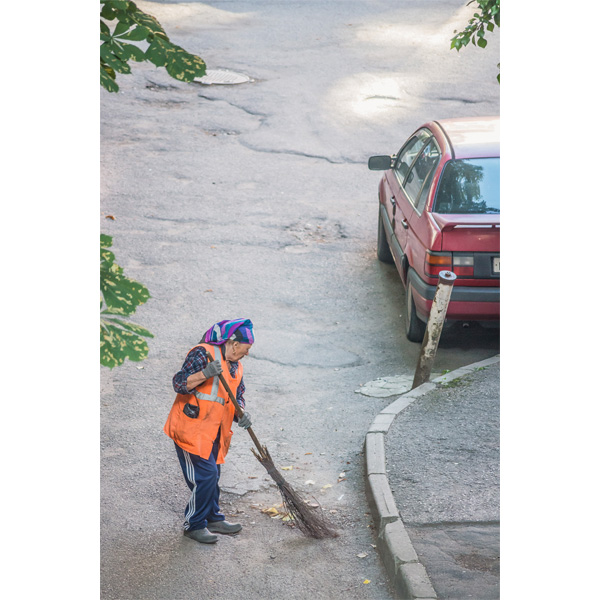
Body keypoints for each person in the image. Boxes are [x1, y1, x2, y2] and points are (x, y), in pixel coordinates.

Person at [164, 318, 254, 544]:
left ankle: (213, 518)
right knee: (206, 477)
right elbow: (179, 383)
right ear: (233, 344)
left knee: (214, 475)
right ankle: (193, 524)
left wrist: (240, 413)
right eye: (245, 350)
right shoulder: (202, 353)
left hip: (215, 431)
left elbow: (237, 394)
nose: (246, 355)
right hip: (190, 429)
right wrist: (204, 373)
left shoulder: (237, 365)